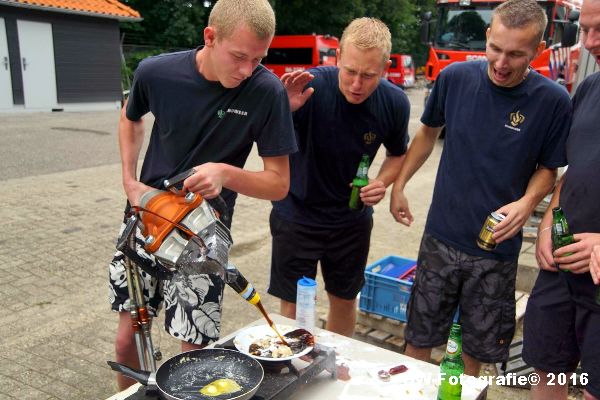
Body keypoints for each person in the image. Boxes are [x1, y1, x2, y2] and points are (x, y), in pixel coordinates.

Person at [108, 0, 297, 389]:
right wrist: (130, 181)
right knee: (128, 341)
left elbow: (279, 182)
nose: (247, 71)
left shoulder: (266, 91)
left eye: (258, 59)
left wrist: (225, 173)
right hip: (146, 221)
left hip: (204, 240)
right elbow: (130, 119)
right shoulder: (156, 73)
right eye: (239, 56)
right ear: (210, 37)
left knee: (190, 355)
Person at [389, 0, 572, 377]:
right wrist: (400, 184)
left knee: (475, 350)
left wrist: (526, 202)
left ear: (538, 50)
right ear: (488, 35)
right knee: (418, 340)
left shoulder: (553, 102)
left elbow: (548, 170)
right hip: (441, 237)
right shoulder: (454, 78)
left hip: (495, 250)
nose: (502, 63)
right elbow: (427, 132)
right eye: (496, 49)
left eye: (516, 55)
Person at [267, 17, 410, 337]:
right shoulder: (308, 86)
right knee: (292, 304)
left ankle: (335, 364)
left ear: (385, 68)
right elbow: (263, 137)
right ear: (338, 58)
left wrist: (382, 183)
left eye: (368, 75)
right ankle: (293, 367)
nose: (356, 84)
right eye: (350, 71)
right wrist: (283, 110)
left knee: (344, 299)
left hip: (351, 221)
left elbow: (397, 154)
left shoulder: (395, 102)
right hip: (297, 214)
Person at [522, 0, 600, 397]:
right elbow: (572, 173)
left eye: (599, 30)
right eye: (584, 30)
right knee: (547, 370)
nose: (589, 43)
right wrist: (549, 222)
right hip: (561, 270)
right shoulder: (589, 88)